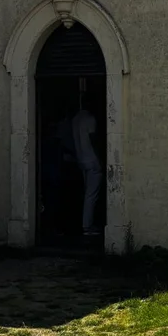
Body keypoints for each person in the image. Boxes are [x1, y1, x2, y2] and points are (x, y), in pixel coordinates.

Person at [71, 93, 101, 236]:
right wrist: (101, 158)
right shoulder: (90, 119)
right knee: (92, 194)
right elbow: (93, 140)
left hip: (81, 160)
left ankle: (86, 224)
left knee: (87, 193)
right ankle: (87, 226)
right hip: (92, 160)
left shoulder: (75, 119)